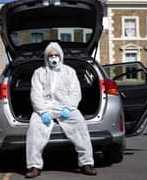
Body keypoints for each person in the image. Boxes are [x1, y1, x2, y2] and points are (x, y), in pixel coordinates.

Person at [25, 42, 96, 178]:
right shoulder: (39, 73)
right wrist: (42, 111)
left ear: (61, 56)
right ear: (46, 57)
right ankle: (34, 166)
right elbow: (35, 94)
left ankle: (86, 163)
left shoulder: (69, 71)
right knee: (34, 129)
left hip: (65, 108)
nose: (53, 58)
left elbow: (75, 93)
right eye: (50, 55)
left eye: (56, 55)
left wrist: (68, 108)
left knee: (80, 125)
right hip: (44, 110)